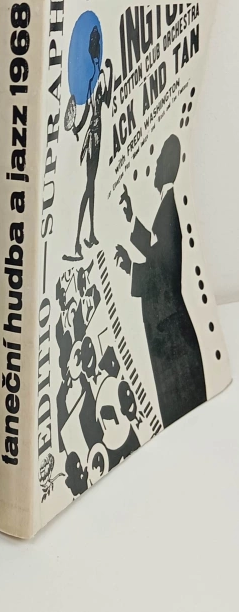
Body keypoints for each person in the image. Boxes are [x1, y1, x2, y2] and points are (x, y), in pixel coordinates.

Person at [114, 134, 206, 427]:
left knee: (182, 414)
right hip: (168, 331)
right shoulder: (167, 205)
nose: (154, 166)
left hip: (172, 336)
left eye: (158, 161)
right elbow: (157, 254)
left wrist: (131, 267)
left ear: (167, 164)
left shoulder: (169, 207)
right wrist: (131, 216)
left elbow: (164, 273)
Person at [70, 28, 113, 260]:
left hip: (95, 135)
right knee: (89, 187)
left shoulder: (94, 78)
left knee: (92, 186)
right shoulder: (96, 78)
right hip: (94, 137)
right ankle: (78, 239)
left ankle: (91, 233)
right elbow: (101, 104)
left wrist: (78, 128)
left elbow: (99, 105)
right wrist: (78, 128)